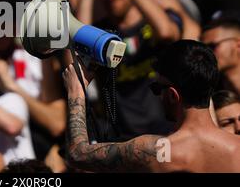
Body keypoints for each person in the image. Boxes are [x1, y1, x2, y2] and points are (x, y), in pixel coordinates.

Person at [63, 40, 240, 172]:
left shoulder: (157, 150)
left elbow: (78, 154)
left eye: (157, 88)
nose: (157, 96)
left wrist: (76, 91)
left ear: (172, 95)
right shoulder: (237, 148)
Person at [76, 0, 182, 141]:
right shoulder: (101, 33)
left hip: (168, 133)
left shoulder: (158, 19)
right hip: (125, 141)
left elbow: (167, 33)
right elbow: (78, 60)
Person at [201, 12, 240, 95]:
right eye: (203, 48)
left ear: (238, 45)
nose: (206, 53)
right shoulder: (209, 97)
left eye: (212, 46)